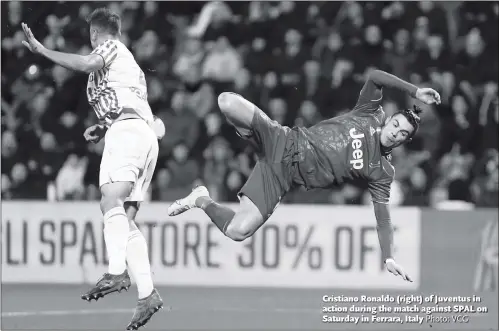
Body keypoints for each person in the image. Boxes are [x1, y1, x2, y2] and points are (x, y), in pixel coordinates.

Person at [168, 69, 441, 282]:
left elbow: (383, 218)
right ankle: (251, 135)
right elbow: (375, 76)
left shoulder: (382, 171)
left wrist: (389, 257)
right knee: (225, 101)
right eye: (396, 124)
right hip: (283, 140)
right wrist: (414, 91)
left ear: (405, 141)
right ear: (390, 118)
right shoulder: (369, 112)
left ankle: (200, 199)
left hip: (281, 177)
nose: (395, 132)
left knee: (238, 231)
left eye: (403, 133)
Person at [22, 8, 163, 330]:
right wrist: (102, 126)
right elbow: (124, 98)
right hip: (142, 134)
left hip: (128, 134)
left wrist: (42, 50)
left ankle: (116, 271)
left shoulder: (110, 46)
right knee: (125, 218)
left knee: (108, 201)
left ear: (95, 34)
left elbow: (86, 64)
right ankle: (147, 294)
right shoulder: (128, 65)